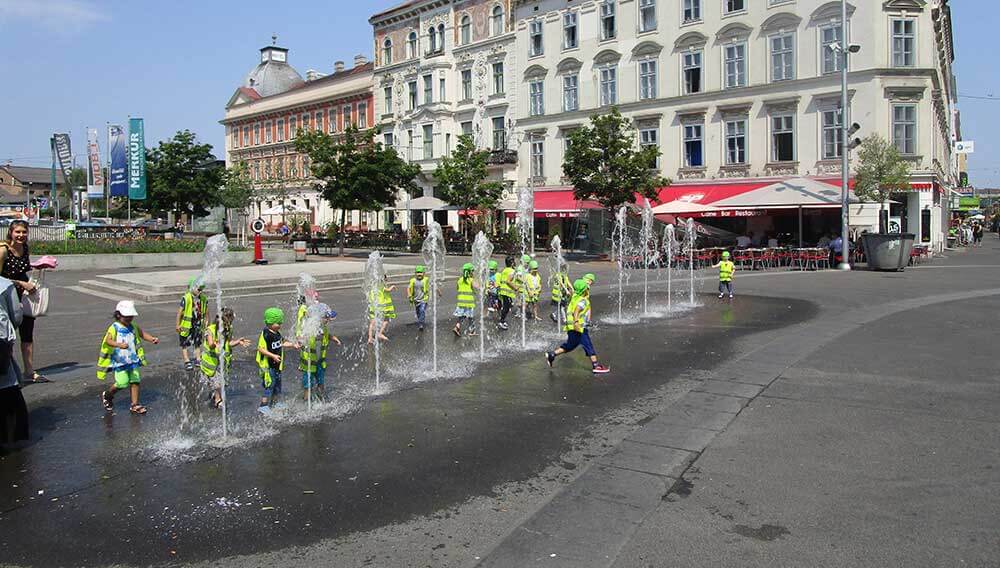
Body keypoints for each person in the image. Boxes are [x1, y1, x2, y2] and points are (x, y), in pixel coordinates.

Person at [0, 220, 44, 384]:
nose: (21, 235)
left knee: (27, 333)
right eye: (17, 232)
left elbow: (23, 271)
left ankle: (29, 371)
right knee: (7, 335)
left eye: (24, 232)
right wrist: (20, 283)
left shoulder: (25, 248)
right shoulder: (3, 251)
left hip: (24, 296)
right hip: (6, 297)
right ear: (10, 232)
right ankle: (7, 370)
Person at [98, 301, 160, 414]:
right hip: (120, 361)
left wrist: (151, 339)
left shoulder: (133, 326)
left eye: (131, 316)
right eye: (126, 316)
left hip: (132, 359)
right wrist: (119, 344)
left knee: (135, 381)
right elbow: (108, 340)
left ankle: (134, 404)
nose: (129, 319)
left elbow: (142, 334)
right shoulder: (114, 327)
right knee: (122, 382)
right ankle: (108, 395)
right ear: (118, 315)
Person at [544, 279, 610, 374]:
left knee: (571, 345)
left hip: (571, 328)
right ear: (584, 290)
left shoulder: (574, 297)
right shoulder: (583, 301)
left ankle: (552, 354)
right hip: (579, 328)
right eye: (586, 289)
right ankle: (596, 366)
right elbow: (577, 310)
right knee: (588, 345)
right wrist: (576, 321)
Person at [201, 308, 249, 409]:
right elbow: (210, 344)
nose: (230, 324)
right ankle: (218, 401)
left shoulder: (228, 329)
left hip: (222, 362)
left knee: (221, 383)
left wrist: (238, 342)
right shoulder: (210, 329)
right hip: (211, 362)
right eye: (229, 321)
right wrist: (215, 344)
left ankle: (214, 395)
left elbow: (228, 343)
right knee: (218, 383)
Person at [255, 307, 298, 414]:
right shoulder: (266, 334)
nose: (280, 325)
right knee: (270, 385)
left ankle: (275, 403)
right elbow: (260, 349)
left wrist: (293, 344)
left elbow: (282, 343)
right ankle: (263, 406)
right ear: (270, 322)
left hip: (277, 366)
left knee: (278, 385)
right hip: (268, 366)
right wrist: (273, 356)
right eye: (278, 323)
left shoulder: (277, 333)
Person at [0, 275, 27, 445]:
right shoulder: (4, 284)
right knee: (6, 389)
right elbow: (16, 315)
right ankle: (8, 438)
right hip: (0, 343)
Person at [299, 308, 341, 401]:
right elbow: (303, 336)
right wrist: (300, 340)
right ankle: (306, 400)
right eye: (327, 318)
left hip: (319, 362)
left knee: (321, 381)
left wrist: (333, 338)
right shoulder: (311, 327)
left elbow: (326, 335)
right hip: (309, 362)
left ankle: (321, 397)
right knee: (308, 384)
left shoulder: (323, 327)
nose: (329, 320)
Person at [176, 277, 208, 371]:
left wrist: (207, 325)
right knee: (184, 342)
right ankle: (187, 360)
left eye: (201, 289)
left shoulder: (203, 298)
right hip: (186, 325)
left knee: (197, 341)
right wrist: (177, 325)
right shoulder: (186, 298)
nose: (200, 291)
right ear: (192, 287)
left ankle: (198, 359)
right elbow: (179, 312)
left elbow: (206, 312)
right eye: (198, 289)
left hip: (198, 323)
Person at [367, 275, 396, 343]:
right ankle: (380, 333)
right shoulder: (381, 286)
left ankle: (370, 338)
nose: (387, 280)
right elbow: (388, 290)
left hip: (372, 307)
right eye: (386, 279)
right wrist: (393, 286)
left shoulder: (372, 287)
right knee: (386, 319)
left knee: (372, 323)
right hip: (381, 307)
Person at [453, 263, 478, 337]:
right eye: (473, 271)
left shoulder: (460, 280)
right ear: (470, 272)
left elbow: (457, 288)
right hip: (469, 303)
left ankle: (457, 327)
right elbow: (477, 287)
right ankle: (472, 331)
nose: (473, 272)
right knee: (470, 317)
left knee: (461, 316)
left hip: (461, 302)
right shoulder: (471, 280)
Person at [496, 256, 518, 330]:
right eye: (514, 261)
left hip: (503, 291)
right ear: (512, 263)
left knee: (507, 306)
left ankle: (502, 320)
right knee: (507, 307)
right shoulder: (511, 271)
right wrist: (515, 287)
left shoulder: (505, 270)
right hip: (507, 292)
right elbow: (508, 281)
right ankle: (501, 321)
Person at [407, 265, 429, 331]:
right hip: (416, 300)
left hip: (424, 299)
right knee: (418, 312)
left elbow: (433, 284)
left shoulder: (425, 280)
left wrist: (438, 291)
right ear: (415, 273)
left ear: (424, 273)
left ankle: (421, 324)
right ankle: (421, 320)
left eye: (421, 272)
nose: (419, 274)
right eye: (418, 272)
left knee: (422, 310)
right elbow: (409, 288)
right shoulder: (413, 280)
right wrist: (409, 295)